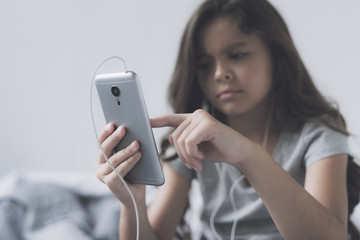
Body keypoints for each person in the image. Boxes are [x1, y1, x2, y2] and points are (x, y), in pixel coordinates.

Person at [95, 0, 360, 239]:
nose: (220, 73)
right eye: (206, 64)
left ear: (277, 57)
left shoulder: (318, 133)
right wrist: (133, 202)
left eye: (237, 55)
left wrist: (248, 155)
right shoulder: (190, 139)